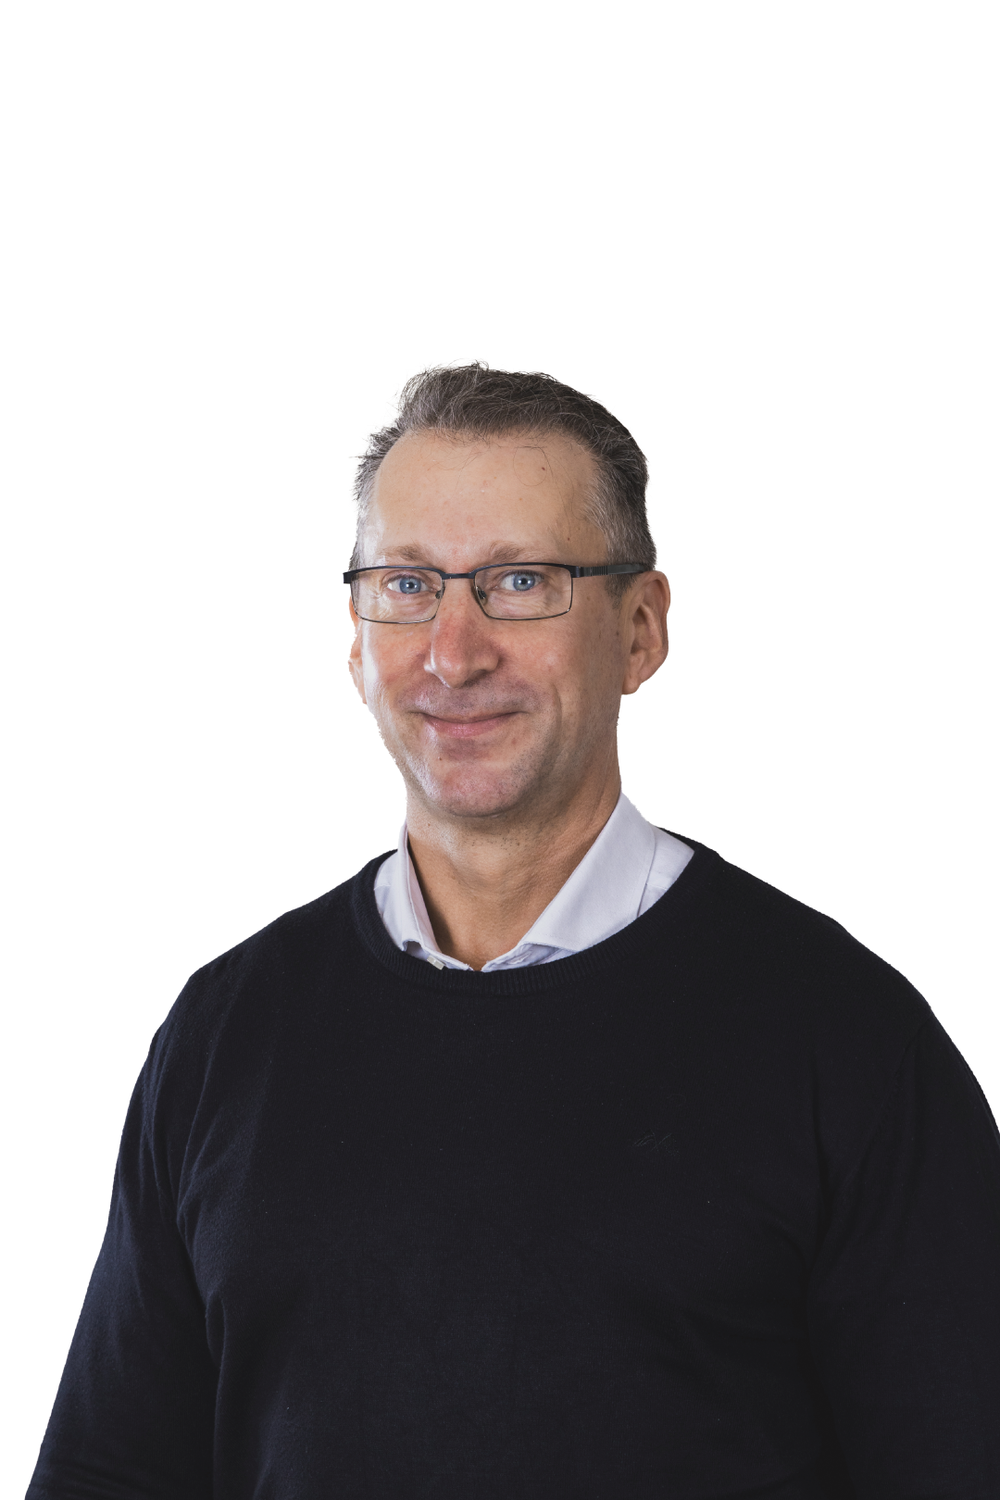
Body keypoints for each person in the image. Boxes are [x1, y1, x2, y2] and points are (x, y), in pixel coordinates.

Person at [27, 364, 1000, 1499]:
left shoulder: (845, 1041)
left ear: (640, 630)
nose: (453, 651)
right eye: (406, 585)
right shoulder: (227, 1034)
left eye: (521, 582)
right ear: (355, 638)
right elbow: (109, 1473)